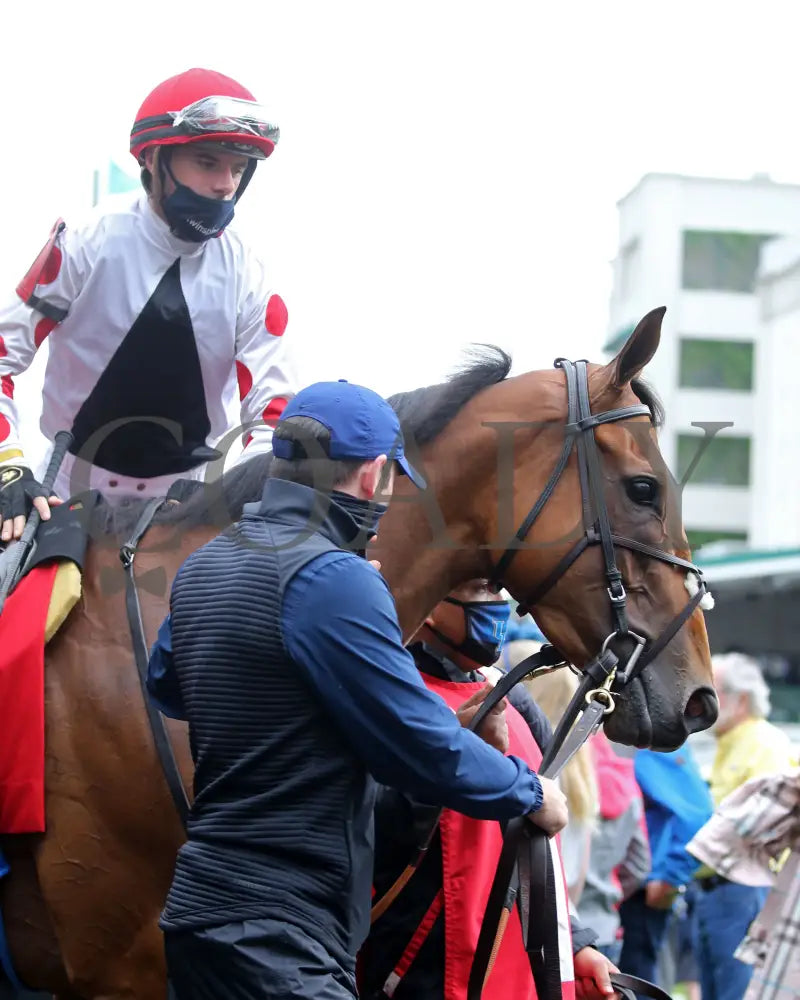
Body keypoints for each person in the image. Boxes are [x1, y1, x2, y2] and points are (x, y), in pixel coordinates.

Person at [146, 380, 569, 1000]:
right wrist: (529, 791)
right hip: (281, 933)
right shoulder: (334, 578)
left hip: (199, 918)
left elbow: (170, 687)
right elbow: (418, 749)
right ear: (374, 476)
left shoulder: (210, 560)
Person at [0, 67, 296, 542]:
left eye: (237, 169)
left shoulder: (250, 273)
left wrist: (237, 498)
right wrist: (7, 469)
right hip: (63, 498)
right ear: (155, 160)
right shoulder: (83, 241)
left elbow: (274, 415)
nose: (225, 184)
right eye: (207, 162)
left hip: (189, 507)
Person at [361, 584, 617, 1000]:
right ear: (427, 607)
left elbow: (540, 847)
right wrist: (453, 761)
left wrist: (575, 944)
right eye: (479, 588)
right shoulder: (386, 694)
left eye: (497, 587)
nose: (498, 602)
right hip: (424, 963)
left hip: (524, 965)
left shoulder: (512, 692)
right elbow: (364, 824)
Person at [690, 652, 798, 1000]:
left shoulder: (764, 745)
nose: (701, 698)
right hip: (713, 894)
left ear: (741, 700)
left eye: (713, 689)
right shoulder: (727, 744)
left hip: (743, 891)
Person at [618, 746, 712, 995]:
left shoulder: (655, 743)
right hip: (628, 887)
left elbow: (696, 815)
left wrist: (670, 877)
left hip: (640, 892)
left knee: (633, 984)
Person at [524, 660, 600, 907]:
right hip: (564, 903)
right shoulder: (581, 761)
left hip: (531, 901)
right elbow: (583, 854)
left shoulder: (533, 759)